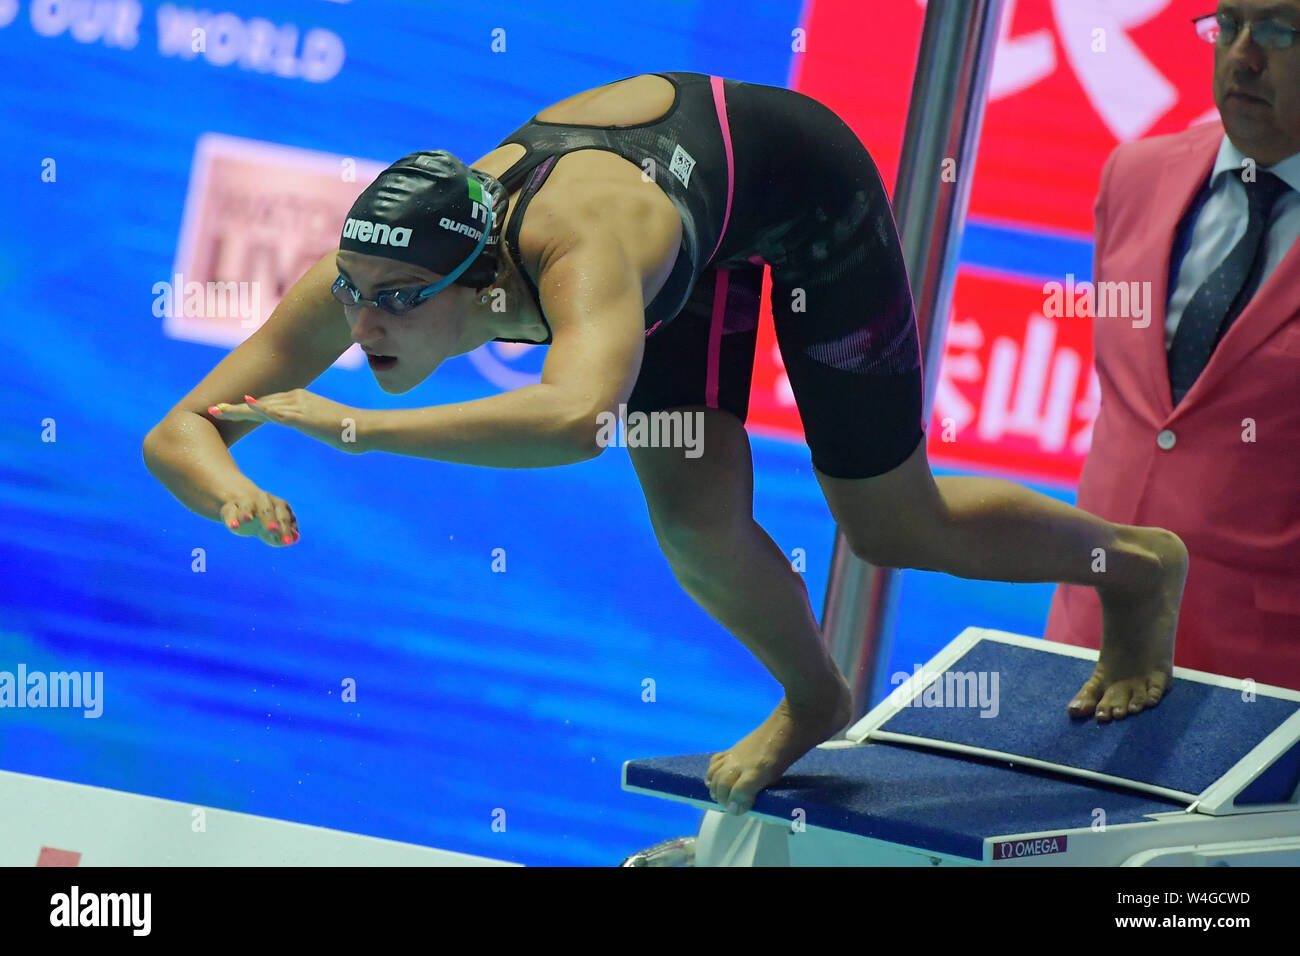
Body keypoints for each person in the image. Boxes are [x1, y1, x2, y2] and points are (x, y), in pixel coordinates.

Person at [144, 71, 1188, 818]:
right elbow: (177, 431)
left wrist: (360, 429)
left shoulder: (574, 255)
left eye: (398, 307)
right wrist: (231, 488)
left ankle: (1136, 569)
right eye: (354, 299)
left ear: (481, 289)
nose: (363, 329)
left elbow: (573, 421)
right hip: (678, 234)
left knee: (888, 524)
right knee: (693, 524)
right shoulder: (379, 270)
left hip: (794, 188)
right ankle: (815, 695)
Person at [1045, 3, 1300, 690]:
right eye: (1230, 23)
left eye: (1279, 30)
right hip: (1084, 636)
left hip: (1263, 674)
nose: (1243, 56)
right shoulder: (1134, 175)